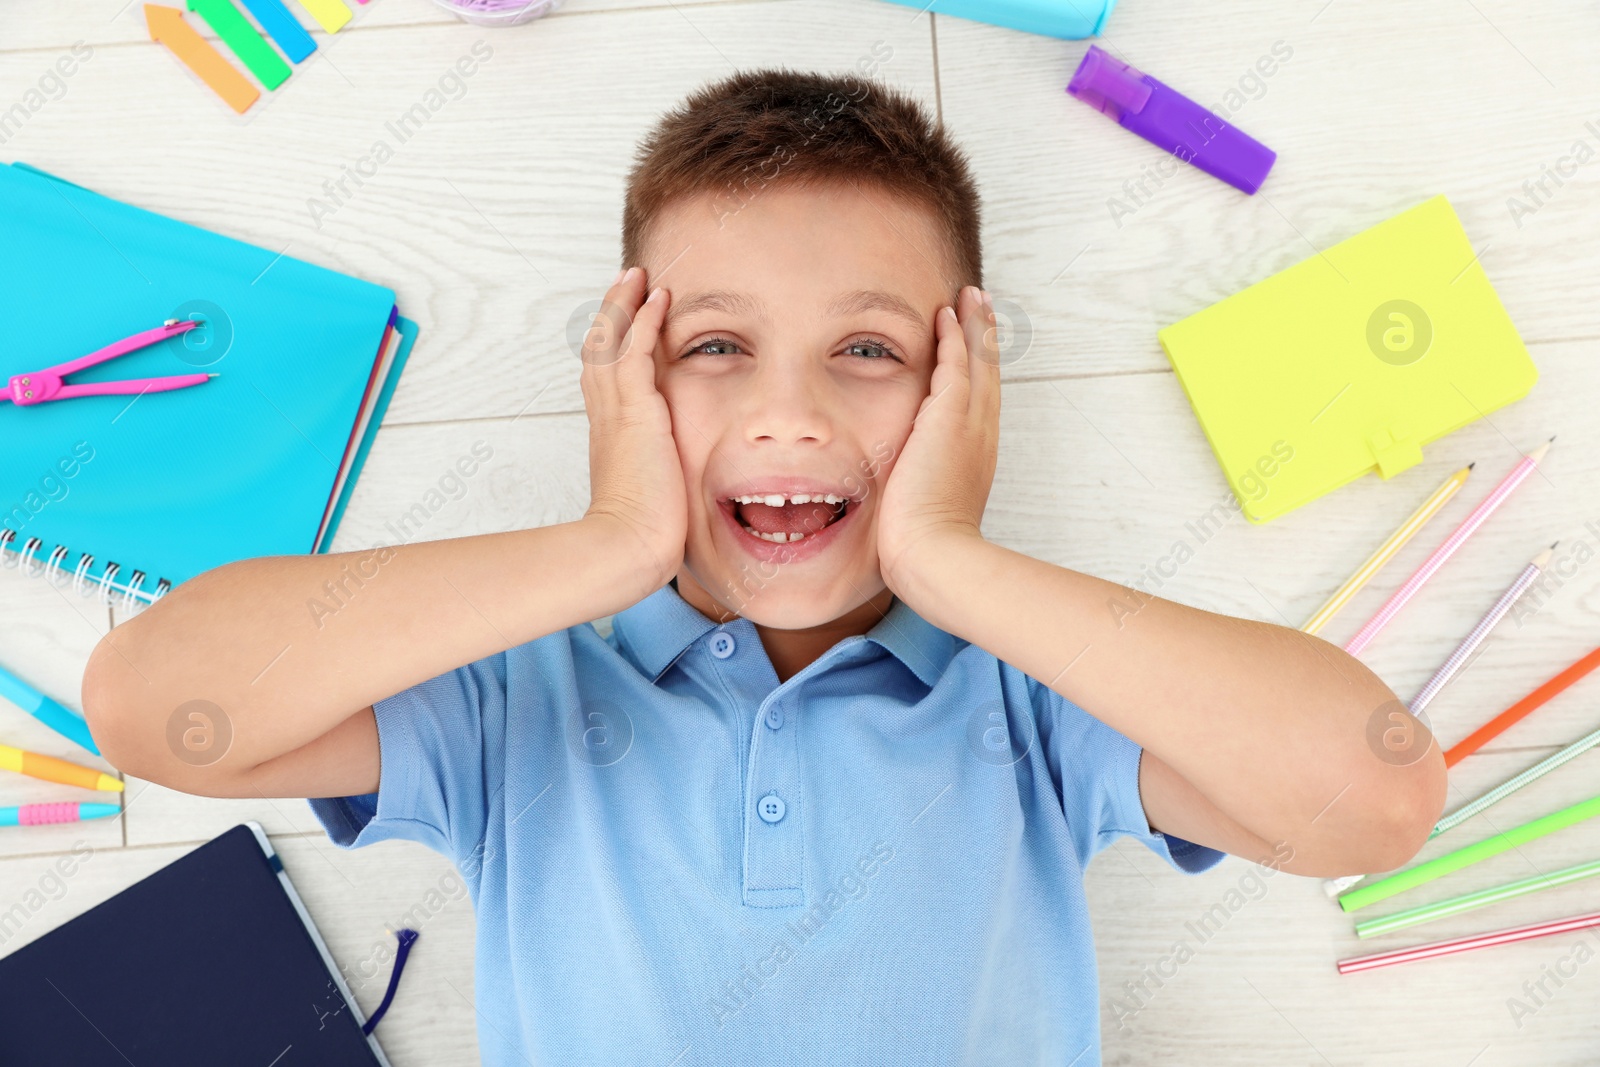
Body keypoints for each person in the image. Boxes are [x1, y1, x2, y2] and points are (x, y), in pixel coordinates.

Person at [83, 68, 1445, 1065]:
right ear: (622, 383)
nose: (786, 414)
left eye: (868, 352)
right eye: (714, 349)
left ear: (961, 393)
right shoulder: (509, 704)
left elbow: (1373, 793)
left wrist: (953, 562)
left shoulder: (1033, 698)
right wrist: (604, 544)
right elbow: (155, 701)